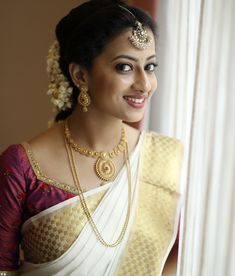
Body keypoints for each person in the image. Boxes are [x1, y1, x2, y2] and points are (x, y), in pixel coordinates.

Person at [0, 0, 183, 275]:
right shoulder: (22, 167)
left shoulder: (167, 158)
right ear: (80, 75)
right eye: (124, 67)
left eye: (150, 66)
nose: (144, 84)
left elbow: (176, 257)